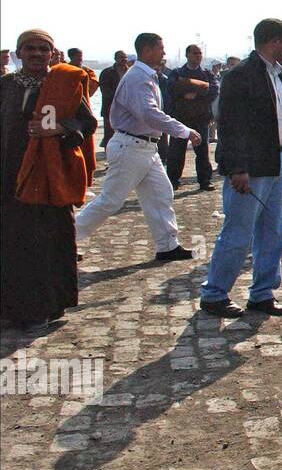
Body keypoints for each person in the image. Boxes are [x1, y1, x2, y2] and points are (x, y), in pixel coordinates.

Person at [199, 18, 282, 319]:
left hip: (276, 162)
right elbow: (231, 126)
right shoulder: (241, 76)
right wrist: (237, 168)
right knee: (239, 232)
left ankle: (262, 293)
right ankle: (214, 293)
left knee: (274, 230)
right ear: (273, 42)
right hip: (251, 167)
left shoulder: (279, 75)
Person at [0, 30, 97, 333]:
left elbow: (87, 123)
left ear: (52, 54)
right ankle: (13, 308)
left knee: (45, 241)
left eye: (44, 49)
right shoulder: (6, 85)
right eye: (30, 48)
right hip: (9, 176)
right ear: (19, 53)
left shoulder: (64, 84)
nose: (37, 54)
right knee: (13, 242)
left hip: (48, 176)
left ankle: (45, 305)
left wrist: (58, 128)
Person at [74, 34, 198, 262]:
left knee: (161, 194)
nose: (164, 53)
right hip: (131, 146)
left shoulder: (145, 76)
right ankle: (66, 240)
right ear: (147, 50)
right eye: (161, 48)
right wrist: (184, 131)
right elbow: (149, 114)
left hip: (145, 148)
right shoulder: (138, 78)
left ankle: (167, 246)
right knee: (110, 200)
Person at [165, 44, 216, 190]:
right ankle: (173, 181)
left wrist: (195, 91)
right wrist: (199, 88)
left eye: (200, 53)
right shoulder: (177, 72)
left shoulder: (207, 73)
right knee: (176, 151)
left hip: (201, 117)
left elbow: (213, 89)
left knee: (202, 151)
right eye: (195, 53)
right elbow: (172, 88)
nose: (198, 56)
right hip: (181, 118)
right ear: (187, 55)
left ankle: (205, 181)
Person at [97, 50, 129, 149]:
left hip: (127, 110)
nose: (123, 59)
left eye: (125, 57)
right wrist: (119, 99)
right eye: (121, 57)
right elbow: (105, 91)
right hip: (110, 108)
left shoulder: (131, 72)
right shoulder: (107, 72)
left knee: (126, 136)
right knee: (109, 135)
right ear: (115, 59)